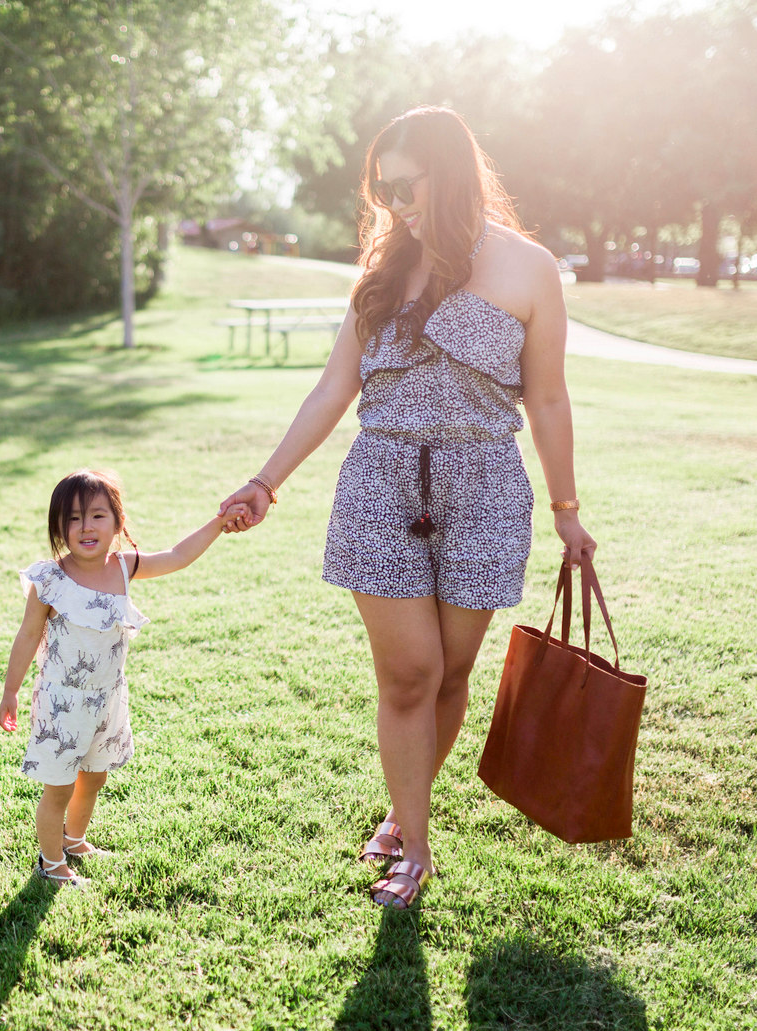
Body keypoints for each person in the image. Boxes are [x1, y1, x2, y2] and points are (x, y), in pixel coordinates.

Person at [218, 106, 597, 909]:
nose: (393, 204)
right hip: (380, 482)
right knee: (409, 675)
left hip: (487, 487)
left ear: (450, 174)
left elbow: (550, 398)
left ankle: (401, 811)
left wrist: (567, 507)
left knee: (453, 673)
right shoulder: (382, 274)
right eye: (382, 190)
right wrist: (265, 479)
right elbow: (332, 389)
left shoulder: (529, 269)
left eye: (406, 186)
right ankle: (416, 852)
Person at [0, 469, 249, 888]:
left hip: (108, 699)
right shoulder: (50, 580)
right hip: (63, 703)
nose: (86, 527)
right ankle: (50, 862)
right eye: (73, 519)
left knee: (95, 777)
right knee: (58, 787)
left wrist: (219, 523)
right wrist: (10, 690)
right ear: (59, 527)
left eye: (97, 515)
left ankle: (74, 840)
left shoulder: (123, 566)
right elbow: (27, 637)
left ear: (117, 522)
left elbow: (176, 555)